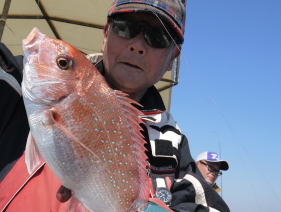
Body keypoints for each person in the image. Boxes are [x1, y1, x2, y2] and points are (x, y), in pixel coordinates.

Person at [0, 0, 230, 211]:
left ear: (172, 58)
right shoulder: (15, 82)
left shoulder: (173, 144)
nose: (138, 46)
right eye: (126, 27)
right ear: (106, 33)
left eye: (158, 36)